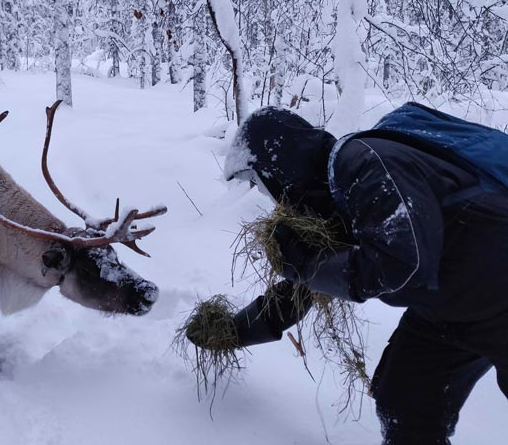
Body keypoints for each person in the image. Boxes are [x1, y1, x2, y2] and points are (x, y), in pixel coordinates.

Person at [205, 106, 508, 445]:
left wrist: (306, 264)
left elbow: (402, 265)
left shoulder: (362, 163)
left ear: (279, 169)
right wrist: (233, 332)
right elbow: (307, 286)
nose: (265, 195)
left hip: (497, 293)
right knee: (404, 402)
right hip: (451, 308)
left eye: (260, 182)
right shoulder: (335, 196)